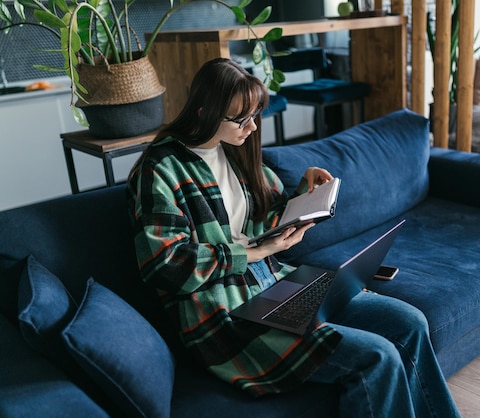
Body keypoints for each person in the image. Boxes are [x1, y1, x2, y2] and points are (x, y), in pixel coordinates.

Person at [127, 57, 460, 418]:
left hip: (276, 284)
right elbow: (166, 266)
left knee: (410, 323)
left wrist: (305, 197)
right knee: (378, 357)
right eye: (242, 118)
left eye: (255, 114)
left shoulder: (234, 151)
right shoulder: (160, 169)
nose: (252, 127)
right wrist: (253, 254)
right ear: (205, 110)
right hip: (226, 314)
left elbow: (262, 226)